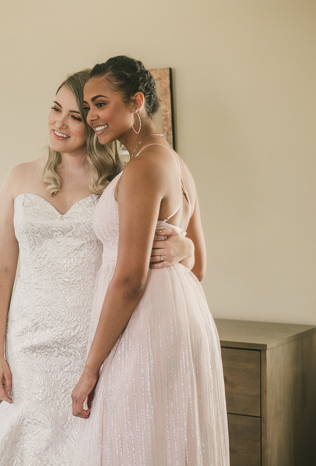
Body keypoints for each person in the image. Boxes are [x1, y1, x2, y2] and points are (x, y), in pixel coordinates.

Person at [0, 70, 195, 465]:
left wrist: (184, 246)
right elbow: (1, 269)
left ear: (92, 122)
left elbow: (160, 264)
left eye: (75, 115)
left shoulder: (122, 183)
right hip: (28, 343)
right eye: (56, 109)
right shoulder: (18, 176)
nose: (60, 123)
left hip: (92, 340)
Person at [71, 56, 229, 465]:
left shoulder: (144, 168)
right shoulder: (175, 162)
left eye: (100, 104)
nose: (92, 116)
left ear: (136, 101)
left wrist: (90, 369)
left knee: (136, 445)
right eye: (88, 107)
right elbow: (199, 266)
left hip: (143, 327)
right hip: (172, 318)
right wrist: (186, 250)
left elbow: (129, 281)